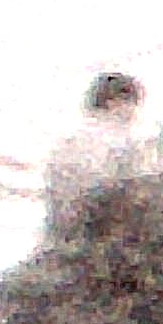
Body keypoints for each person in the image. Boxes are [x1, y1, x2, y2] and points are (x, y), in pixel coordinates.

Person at [41, 73, 150, 234]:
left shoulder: (67, 138)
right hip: (100, 229)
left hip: (60, 229)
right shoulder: (122, 142)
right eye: (133, 103)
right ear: (114, 102)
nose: (135, 112)